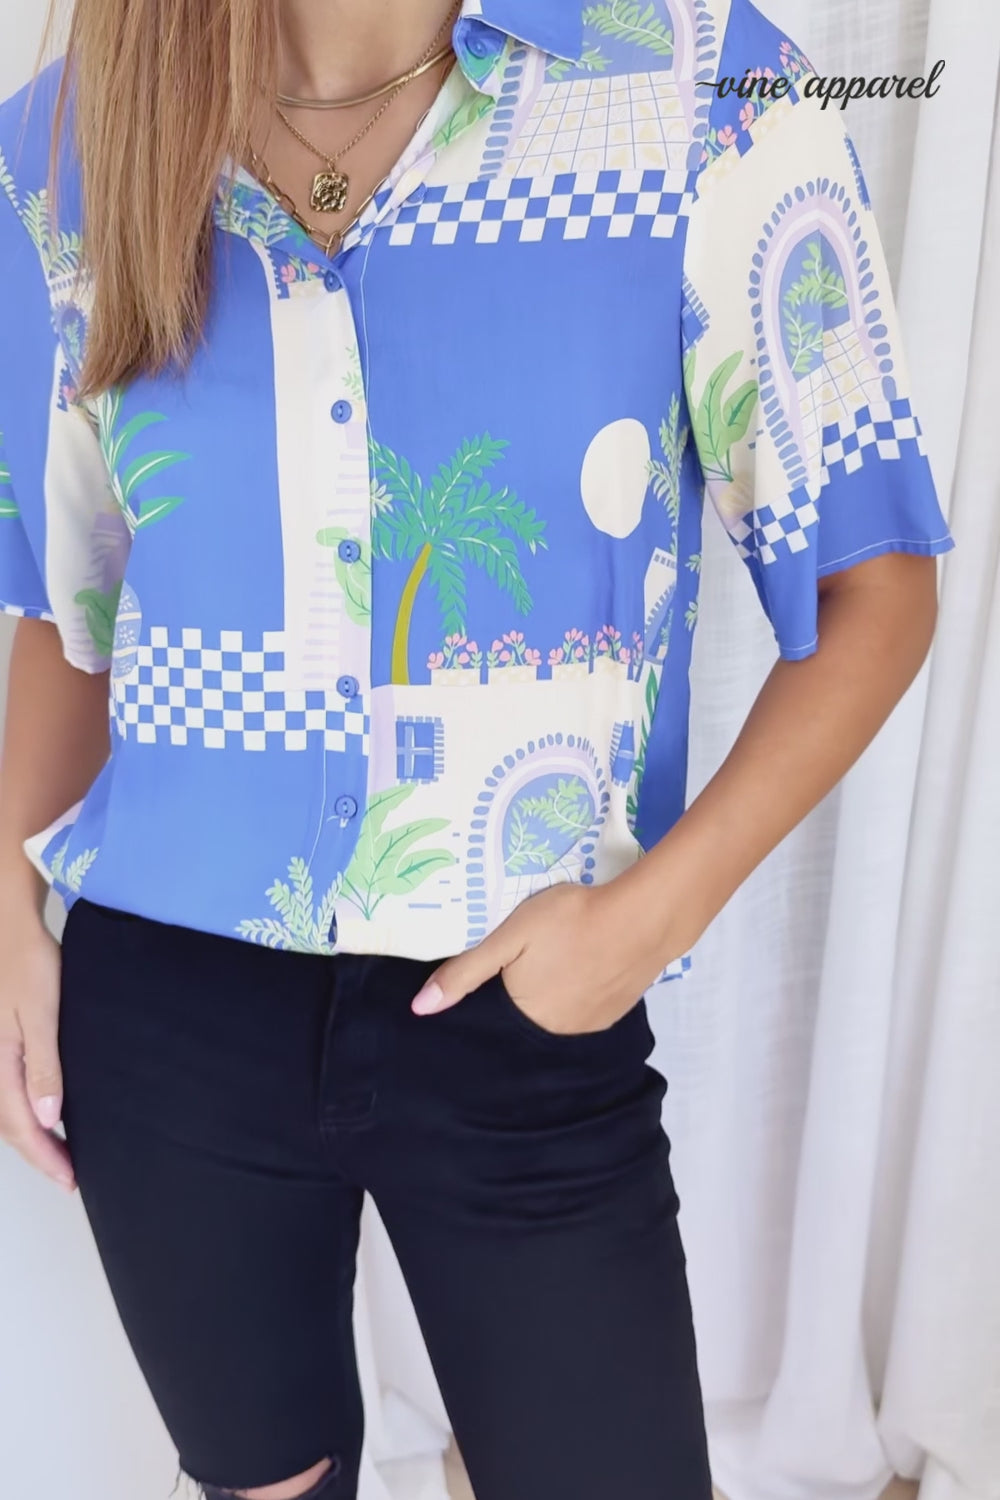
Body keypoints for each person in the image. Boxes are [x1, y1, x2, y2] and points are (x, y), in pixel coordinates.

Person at [0, 0, 953, 1497]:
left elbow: (872, 586)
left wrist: (644, 925)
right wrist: (9, 909)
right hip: (167, 1014)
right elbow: (76, 614)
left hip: (529, 1007)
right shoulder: (66, 146)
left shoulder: (701, 84)